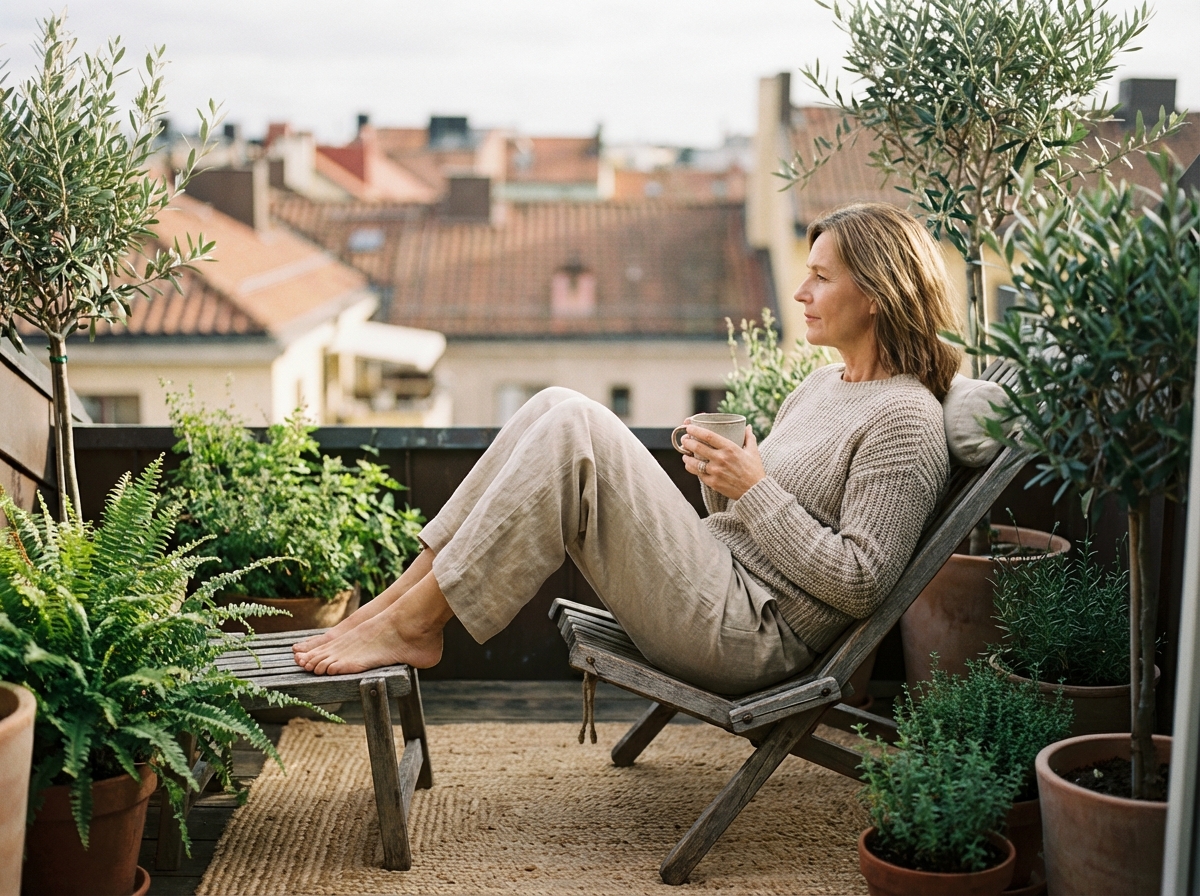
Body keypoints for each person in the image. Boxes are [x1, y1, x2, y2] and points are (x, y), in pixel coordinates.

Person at [293, 202, 961, 693]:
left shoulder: (906, 418)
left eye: (820, 278)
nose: (800, 291)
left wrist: (753, 488)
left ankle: (414, 623)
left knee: (575, 425)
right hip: (715, 579)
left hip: (752, 634)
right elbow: (751, 516)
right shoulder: (822, 384)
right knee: (555, 404)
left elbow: (862, 582)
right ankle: (396, 609)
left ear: (876, 295)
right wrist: (719, 473)